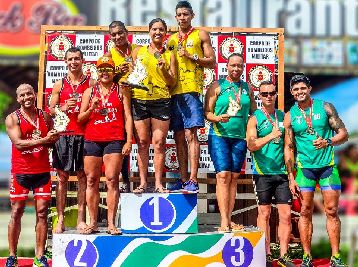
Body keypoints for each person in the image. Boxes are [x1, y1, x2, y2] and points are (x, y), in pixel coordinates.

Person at [284, 74, 349, 267]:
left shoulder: (326, 107)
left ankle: (336, 257)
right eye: (295, 90)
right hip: (305, 170)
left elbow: (343, 134)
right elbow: (289, 147)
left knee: (331, 210)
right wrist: (290, 176)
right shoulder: (290, 115)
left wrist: (327, 141)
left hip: (328, 167)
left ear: (309, 89)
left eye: (302, 88)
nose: (299, 92)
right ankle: (306, 257)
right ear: (291, 92)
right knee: (304, 211)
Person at [5, 84, 59, 267]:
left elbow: (51, 142)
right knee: (17, 211)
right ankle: (12, 256)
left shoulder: (44, 116)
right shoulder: (12, 118)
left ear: (35, 95)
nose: (26, 97)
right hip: (21, 172)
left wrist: (54, 138)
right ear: (18, 98)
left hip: (42, 171)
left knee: (42, 213)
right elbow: (19, 144)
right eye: (22, 95)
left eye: (29, 93)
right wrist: (45, 140)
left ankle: (40, 256)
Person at [78, 56, 132, 235]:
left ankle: (111, 223)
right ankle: (93, 223)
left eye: (108, 69)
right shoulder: (89, 92)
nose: (104, 72)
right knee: (91, 180)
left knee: (112, 180)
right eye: (101, 69)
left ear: (113, 71)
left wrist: (129, 139)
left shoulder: (121, 90)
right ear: (97, 71)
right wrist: (92, 108)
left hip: (114, 139)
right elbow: (80, 119)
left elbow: (128, 117)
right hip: (92, 139)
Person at [167, 0, 216, 192]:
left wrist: (191, 56)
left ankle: (194, 179)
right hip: (173, 91)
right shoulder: (170, 40)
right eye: (179, 14)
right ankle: (183, 178)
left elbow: (212, 61)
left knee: (191, 134)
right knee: (178, 136)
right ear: (176, 16)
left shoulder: (200, 34)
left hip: (192, 90)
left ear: (192, 16)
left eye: (185, 14)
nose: (182, 17)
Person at [204, 53, 256, 233]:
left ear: (243, 67)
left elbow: (254, 114)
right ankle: (224, 221)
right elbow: (207, 113)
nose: (236, 69)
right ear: (227, 66)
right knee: (223, 176)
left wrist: (252, 133)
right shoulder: (217, 86)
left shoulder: (247, 88)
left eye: (239, 66)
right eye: (233, 65)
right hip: (219, 135)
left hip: (239, 138)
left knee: (234, 178)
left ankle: (229, 218)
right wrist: (217, 118)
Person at [246, 81, 294, 267]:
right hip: (262, 173)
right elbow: (251, 145)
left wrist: (290, 175)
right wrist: (270, 136)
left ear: (275, 95)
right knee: (264, 214)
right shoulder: (254, 118)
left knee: (286, 215)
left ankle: (284, 254)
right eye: (264, 93)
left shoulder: (283, 117)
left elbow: (288, 148)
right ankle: (264, 253)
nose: (268, 96)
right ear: (259, 96)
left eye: (271, 93)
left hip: (281, 173)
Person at [49, 47, 95, 233]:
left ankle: (81, 219)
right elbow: (50, 110)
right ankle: (60, 219)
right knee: (62, 177)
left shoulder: (91, 83)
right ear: (65, 62)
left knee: (83, 177)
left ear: (83, 60)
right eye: (70, 59)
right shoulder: (59, 84)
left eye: (77, 58)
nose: (73, 62)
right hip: (63, 135)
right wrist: (62, 106)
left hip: (84, 134)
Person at [130, 18, 177, 193]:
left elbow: (172, 83)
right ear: (149, 31)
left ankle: (158, 183)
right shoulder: (138, 51)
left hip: (161, 101)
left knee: (159, 143)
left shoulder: (170, 54)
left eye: (161, 29)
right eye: (154, 29)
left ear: (165, 33)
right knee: (142, 142)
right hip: (140, 99)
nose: (157, 32)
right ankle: (142, 183)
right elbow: (132, 75)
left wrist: (164, 69)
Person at [106, 21, 139, 192]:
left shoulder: (137, 50)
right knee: (122, 139)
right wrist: (118, 71)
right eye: (114, 34)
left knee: (142, 141)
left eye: (120, 33)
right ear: (110, 37)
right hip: (121, 101)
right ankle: (125, 180)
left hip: (141, 99)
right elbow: (105, 79)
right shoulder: (109, 54)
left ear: (126, 32)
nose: (117, 37)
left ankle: (142, 182)